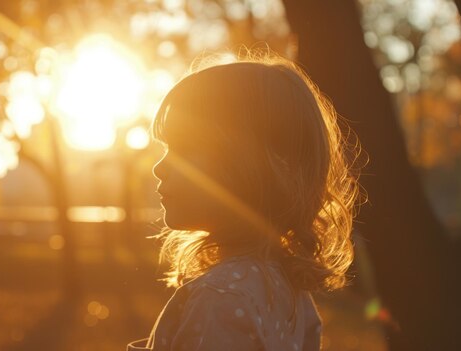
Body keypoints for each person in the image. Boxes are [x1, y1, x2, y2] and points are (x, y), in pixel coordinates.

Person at [127, 55, 362, 351]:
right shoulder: (287, 290)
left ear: (252, 166)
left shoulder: (221, 297)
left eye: (185, 149)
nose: (159, 168)